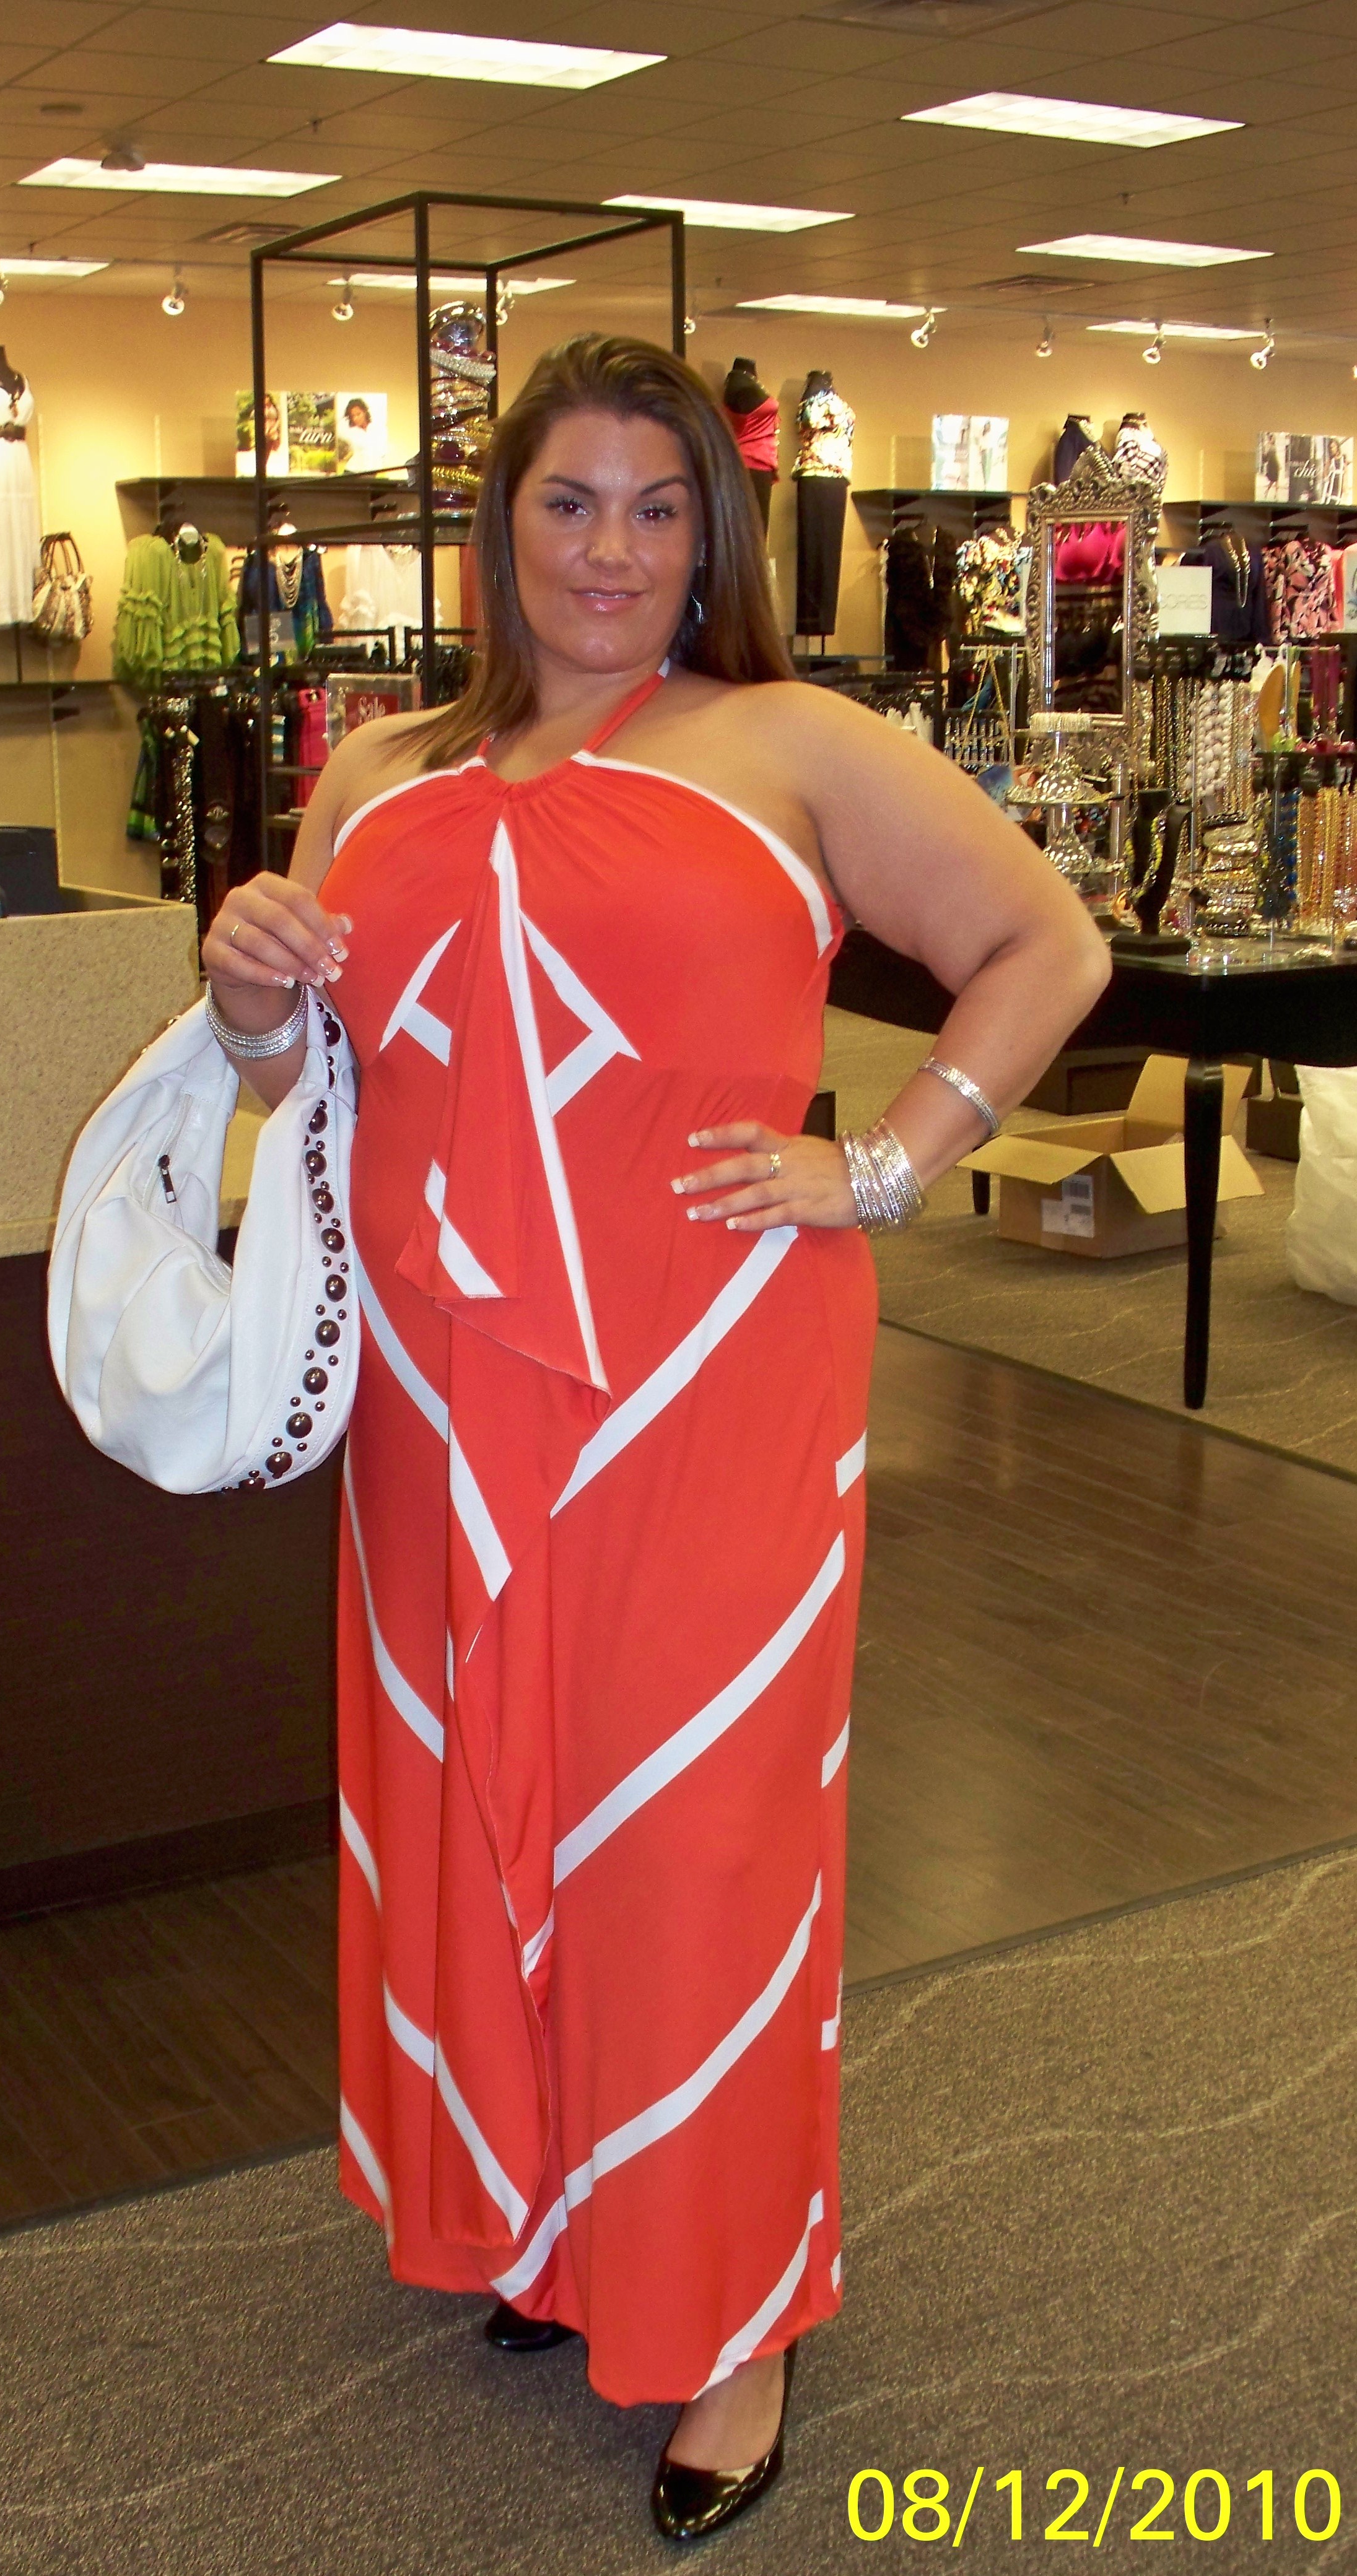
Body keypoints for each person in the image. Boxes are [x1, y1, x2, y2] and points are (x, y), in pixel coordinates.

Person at [199, 333, 1109, 2544]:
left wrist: (883, 1163)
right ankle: (543, 2217)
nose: (610, 550)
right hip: (439, 1399)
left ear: (712, 535)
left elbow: (1045, 943)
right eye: (569, 502)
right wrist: (245, 1001)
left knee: (697, 1840)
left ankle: (738, 2316)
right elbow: (305, 1080)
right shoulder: (377, 771)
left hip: (709, 1381)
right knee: (477, 1801)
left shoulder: (793, 741)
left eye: (657, 507)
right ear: (500, 525)